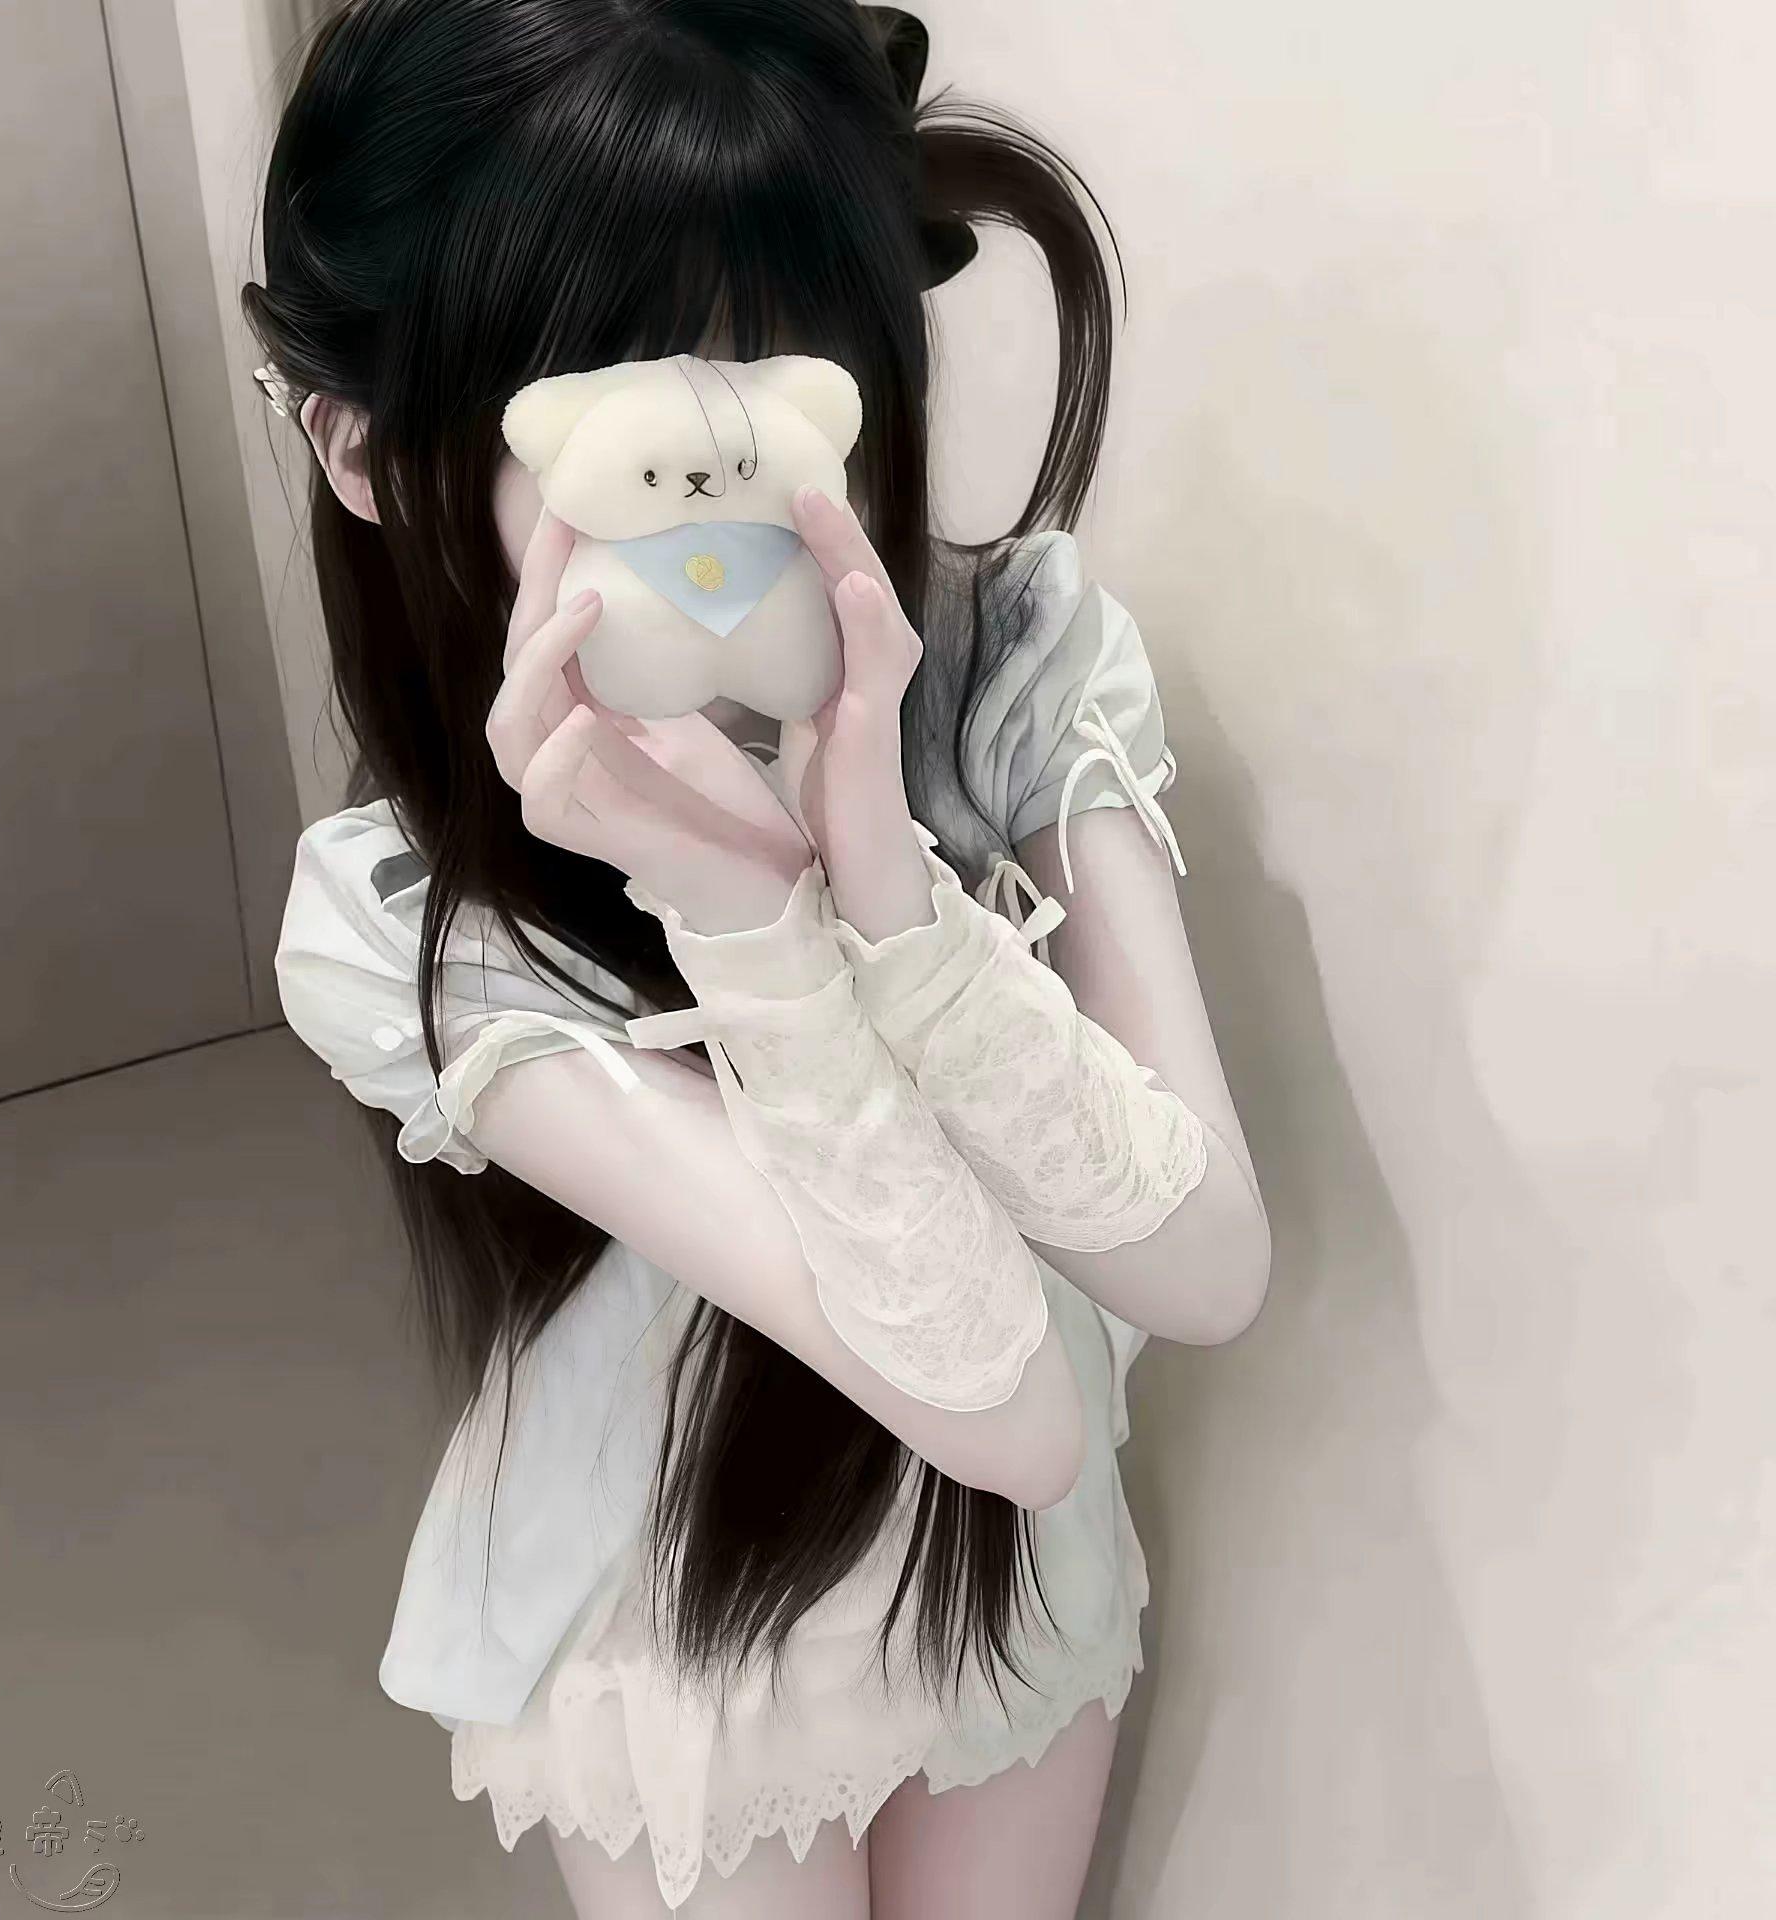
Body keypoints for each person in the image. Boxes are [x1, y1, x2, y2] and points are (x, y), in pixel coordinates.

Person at [249, 2, 1270, 1912]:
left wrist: (885, 878)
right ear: (362, 447)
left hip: (1008, 1586)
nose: (722, 516)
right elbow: (1011, 1414)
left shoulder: (1006, 662)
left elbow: (1207, 1270)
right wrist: (745, 907)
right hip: (676, 1616)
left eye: (771, 388)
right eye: (624, 414)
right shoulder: (405, 925)